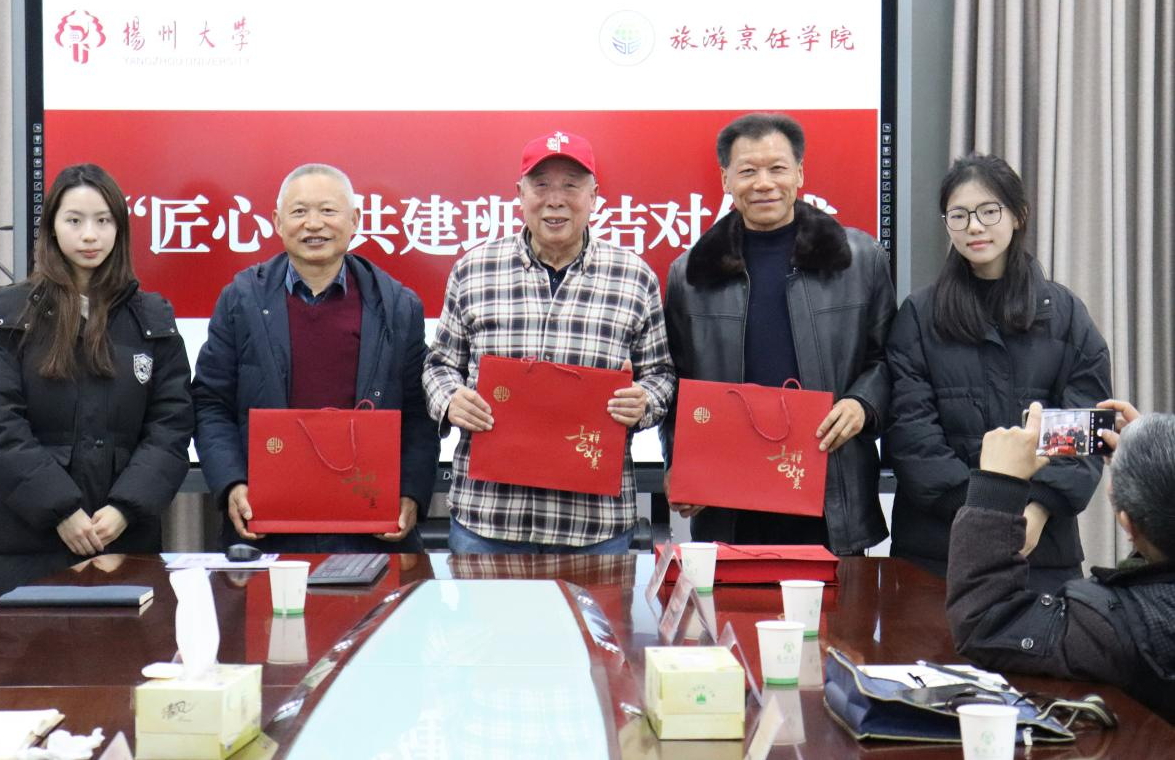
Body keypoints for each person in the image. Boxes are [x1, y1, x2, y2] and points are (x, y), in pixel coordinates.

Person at [423, 132, 676, 553]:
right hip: (488, 519)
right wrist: (450, 399)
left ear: (594, 196)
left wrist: (645, 401)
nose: (555, 200)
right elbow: (440, 364)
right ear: (519, 195)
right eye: (541, 185)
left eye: (570, 186)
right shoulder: (474, 269)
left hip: (593, 525)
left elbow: (661, 374)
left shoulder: (634, 277)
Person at [660, 112, 896, 553]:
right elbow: (675, 385)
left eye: (777, 168)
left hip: (829, 489)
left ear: (800, 174)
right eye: (748, 171)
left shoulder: (860, 258)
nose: (764, 183)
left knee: (836, 601)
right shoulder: (690, 275)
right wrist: (681, 463)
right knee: (732, 600)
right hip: (729, 498)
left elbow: (889, 359)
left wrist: (863, 404)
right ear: (726, 179)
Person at [0, 164, 192, 605]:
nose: (90, 235)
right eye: (75, 220)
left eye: (103, 221)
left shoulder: (154, 322)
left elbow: (172, 427)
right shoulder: (9, 320)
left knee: (121, 651)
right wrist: (61, 509)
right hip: (23, 549)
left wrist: (126, 508)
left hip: (123, 542)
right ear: (52, 227)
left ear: (119, 229)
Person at [885, 154, 1110, 591]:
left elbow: (1086, 427)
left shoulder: (1065, 315)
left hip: (1042, 549)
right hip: (937, 549)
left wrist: (1037, 508)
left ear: (1018, 215)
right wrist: (985, 514)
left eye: (989, 211)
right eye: (959, 215)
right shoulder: (919, 314)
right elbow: (912, 436)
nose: (974, 226)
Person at [192, 163, 438, 552]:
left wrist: (411, 490)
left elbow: (419, 410)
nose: (313, 224)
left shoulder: (397, 305)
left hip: (369, 531)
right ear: (277, 222)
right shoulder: (241, 300)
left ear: (355, 220)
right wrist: (232, 482)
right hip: (267, 526)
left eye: (327, 210)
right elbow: (210, 402)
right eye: (299, 211)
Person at [947, 401, 1175, 723]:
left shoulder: (1116, 627)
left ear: (1127, 524)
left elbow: (986, 624)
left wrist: (996, 486)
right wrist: (1159, 468)